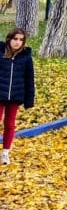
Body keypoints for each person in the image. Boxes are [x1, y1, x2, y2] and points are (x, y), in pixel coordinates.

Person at [0, 28, 35, 164]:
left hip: (15, 96)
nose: (17, 42)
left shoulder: (26, 57)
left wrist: (29, 100)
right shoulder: (1, 53)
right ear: (9, 39)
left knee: (10, 124)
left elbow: (29, 80)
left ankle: (5, 153)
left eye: (21, 40)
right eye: (15, 39)